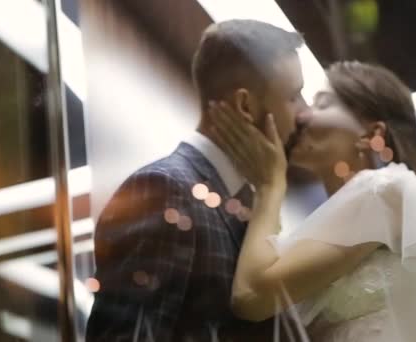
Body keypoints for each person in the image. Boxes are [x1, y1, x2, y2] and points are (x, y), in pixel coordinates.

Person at [209, 61, 416, 341]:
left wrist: (269, 187)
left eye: (322, 104)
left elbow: (251, 298)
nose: (303, 116)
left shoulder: (384, 191)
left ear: (370, 133)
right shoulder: (356, 211)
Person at [86, 19, 311, 341]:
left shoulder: (244, 199)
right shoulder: (163, 190)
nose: (304, 112)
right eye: (294, 96)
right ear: (245, 106)